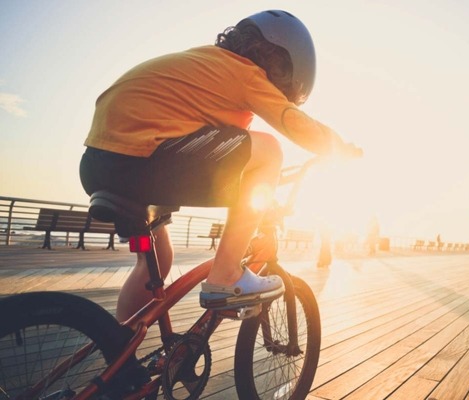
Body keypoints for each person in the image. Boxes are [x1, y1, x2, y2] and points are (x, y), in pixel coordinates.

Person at [79, 10, 359, 322]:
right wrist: (340, 148)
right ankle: (225, 275)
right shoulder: (245, 72)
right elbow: (292, 123)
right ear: (284, 62)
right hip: (142, 161)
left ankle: (119, 351)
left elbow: (218, 156)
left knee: (158, 259)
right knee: (269, 149)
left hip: (98, 163)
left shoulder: (207, 64)